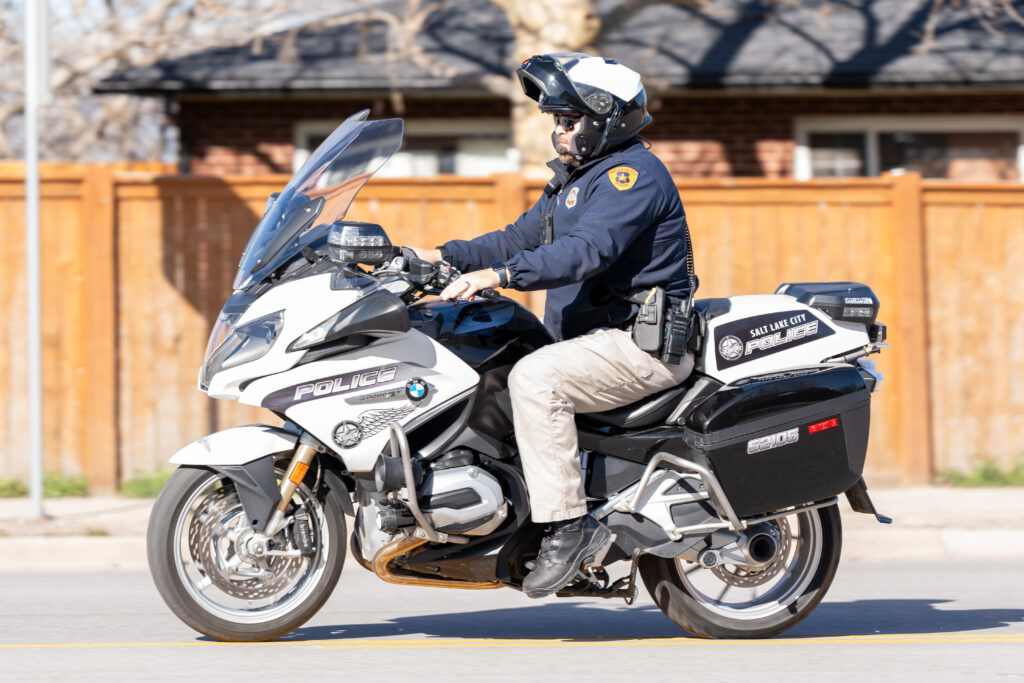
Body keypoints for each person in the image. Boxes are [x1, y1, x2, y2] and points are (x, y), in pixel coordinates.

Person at [409, 53, 696, 598]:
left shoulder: (633, 177)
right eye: (556, 122)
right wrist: (436, 256)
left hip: (642, 343)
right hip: (594, 342)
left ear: (606, 119)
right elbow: (516, 239)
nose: (559, 132)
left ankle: (568, 526)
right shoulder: (576, 180)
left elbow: (585, 253)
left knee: (535, 380)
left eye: (570, 121)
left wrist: (500, 275)